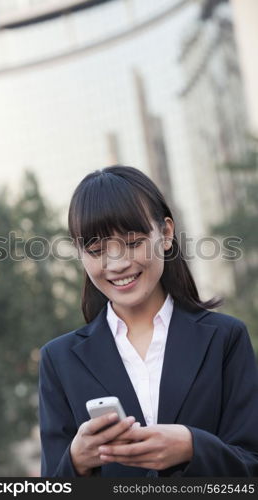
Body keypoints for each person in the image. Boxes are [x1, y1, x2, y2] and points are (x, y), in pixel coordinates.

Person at [39, 165, 258, 477]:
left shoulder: (225, 339)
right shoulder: (59, 360)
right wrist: (76, 461)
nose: (117, 264)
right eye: (97, 249)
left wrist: (193, 446)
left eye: (132, 243)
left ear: (166, 234)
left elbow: (251, 465)